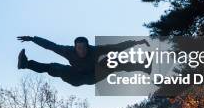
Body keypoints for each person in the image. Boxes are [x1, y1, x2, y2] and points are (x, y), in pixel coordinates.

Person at [16, 36, 150, 86]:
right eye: (79, 48)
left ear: (88, 47)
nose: (82, 51)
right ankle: (26, 64)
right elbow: (50, 46)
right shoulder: (68, 51)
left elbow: (116, 47)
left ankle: (144, 67)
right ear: (75, 47)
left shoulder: (95, 50)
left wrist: (136, 42)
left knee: (112, 61)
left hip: (94, 75)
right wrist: (33, 39)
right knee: (55, 67)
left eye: (84, 48)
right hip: (76, 77)